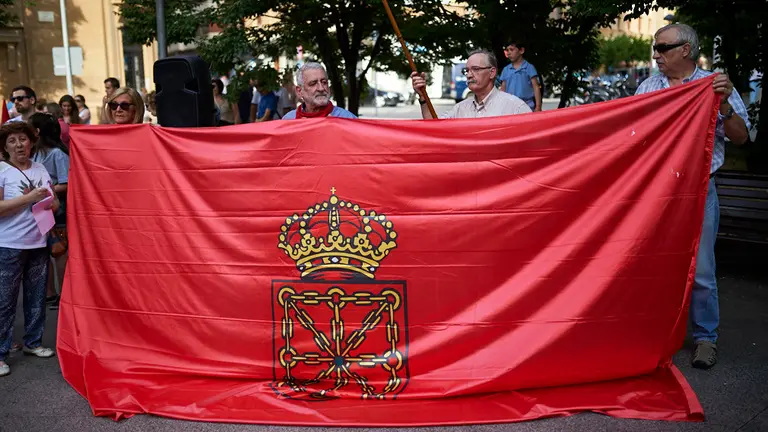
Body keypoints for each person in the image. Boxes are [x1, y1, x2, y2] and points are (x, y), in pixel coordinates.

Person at [635, 23, 750, 369]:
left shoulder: (714, 86)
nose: (655, 55)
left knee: (701, 269)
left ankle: (704, 338)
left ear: (685, 50)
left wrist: (725, 103)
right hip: (657, 190)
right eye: (655, 48)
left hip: (700, 187)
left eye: (662, 48)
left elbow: (742, 137)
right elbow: (632, 132)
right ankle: (655, 332)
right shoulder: (647, 86)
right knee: (653, 263)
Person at [0, 122, 60, 377]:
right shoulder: (2, 170)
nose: (18, 145)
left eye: (22, 139)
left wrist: (51, 203)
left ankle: (33, 343)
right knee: (5, 300)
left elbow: (54, 202)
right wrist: (29, 199)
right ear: (4, 147)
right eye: (12, 141)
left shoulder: (40, 168)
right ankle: (1, 353)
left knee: (36, 298)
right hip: (9, 243)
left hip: (38, 241)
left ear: (31, 142)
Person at [411, 50, 531, 119]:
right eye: (467, 70)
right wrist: (423, 97)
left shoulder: (515, 108)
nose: (469, 75)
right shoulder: (460, 109)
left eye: (475, 69)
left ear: (492, 72)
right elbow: (435, 129)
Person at [28, 113, 70, 310]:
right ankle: (49, 295)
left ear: (37, 131)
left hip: (57, 209)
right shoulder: (34, 153)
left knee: (59, 251)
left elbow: (66, 183)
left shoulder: (57, 153)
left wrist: (47, 189)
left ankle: (64, 294)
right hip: (40, 210)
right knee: (43, 251)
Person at [282, 62, 357, 119]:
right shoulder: (289, 121)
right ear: (299, 91)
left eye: (324, 82)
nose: (321, 88)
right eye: (313, 84)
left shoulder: (347, 119)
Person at [499, 41, 542, 112]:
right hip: (510, 107)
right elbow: (503, 90)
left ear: (521, 50)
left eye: (512, 49)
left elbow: (536, 87)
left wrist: (538, 106)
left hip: (527, 106)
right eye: (507, 50)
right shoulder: (505, 70)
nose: (509, 53)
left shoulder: (529, 67)